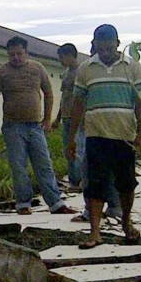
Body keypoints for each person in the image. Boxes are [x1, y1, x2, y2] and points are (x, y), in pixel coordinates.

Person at [67, 24, 141, 247]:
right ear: (94, 44)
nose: (104, 51)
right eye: (100, 46)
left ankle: (126, 223)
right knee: (95, 184)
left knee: (126, 183)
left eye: (108, 46)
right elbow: (78, 104)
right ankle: (95, 232)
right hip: (96, 136)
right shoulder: (85, 69)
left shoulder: (132, 67)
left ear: (117, 44)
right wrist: (71, 138)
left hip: (125, 137)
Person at [0, 36, 71, 216]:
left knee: (44, 164)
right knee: (18, 166)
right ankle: (23, 203)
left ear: (26, 52)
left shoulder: (37, 68)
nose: (15, 57)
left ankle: (55, 203)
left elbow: (48, 93)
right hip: (12, 126)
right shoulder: (1, 72)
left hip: (35, 126)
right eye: (12, 54)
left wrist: (47, 119)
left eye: (19, 53)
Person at [52, 43, 82, 191]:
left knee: (78, 149)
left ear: (70, 55)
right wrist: (57, 118)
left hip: (78, 118)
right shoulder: (66, 73)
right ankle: (73, 182)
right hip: (66, 117)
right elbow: (64, 97)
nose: (60, 61)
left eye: (62, 57)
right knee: (67, 150)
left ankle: (80, 180)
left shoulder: (81, 72)